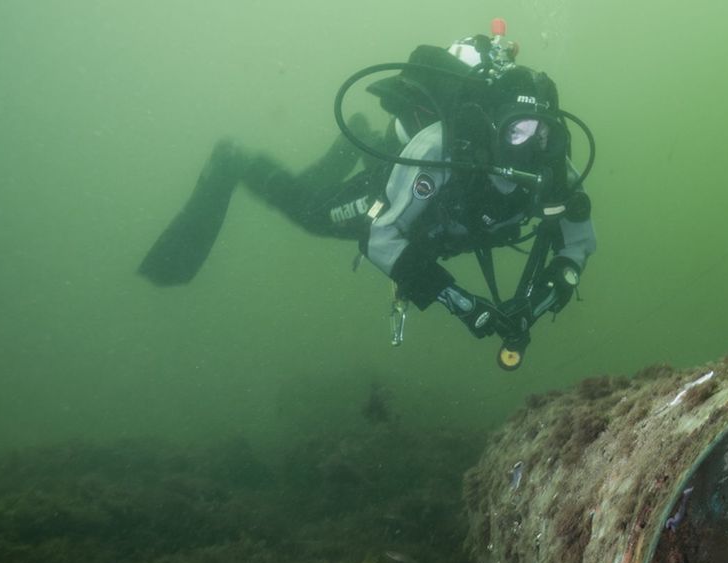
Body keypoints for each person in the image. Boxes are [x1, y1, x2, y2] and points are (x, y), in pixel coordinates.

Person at [138, 23, 597, 370]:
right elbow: (382, 238)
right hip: (401, 200)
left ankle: (351, 139)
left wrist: (539, 302)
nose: (530, 145)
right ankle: (236, 160)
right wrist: (456, 301)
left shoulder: (553, 166)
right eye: (517, 129)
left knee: (317, 204)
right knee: (312, 214)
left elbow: (579, 242)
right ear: (493, 127)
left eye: (543, 134)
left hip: (450, 232)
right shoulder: (439, 149)